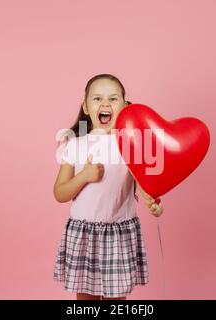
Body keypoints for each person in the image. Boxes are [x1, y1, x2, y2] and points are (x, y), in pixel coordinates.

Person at [53, 73, 163, 300]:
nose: (105, 104)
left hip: (118, 233)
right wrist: (84, 176)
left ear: (125, 105)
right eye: (97, 99)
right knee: (86, 301)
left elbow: (143, 186)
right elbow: (60, 193)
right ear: (85, 106)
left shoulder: (131, 144)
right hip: (84, 233)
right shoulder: (75, 144)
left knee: (116, 300)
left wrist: (152, 203)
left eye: (113, 99)